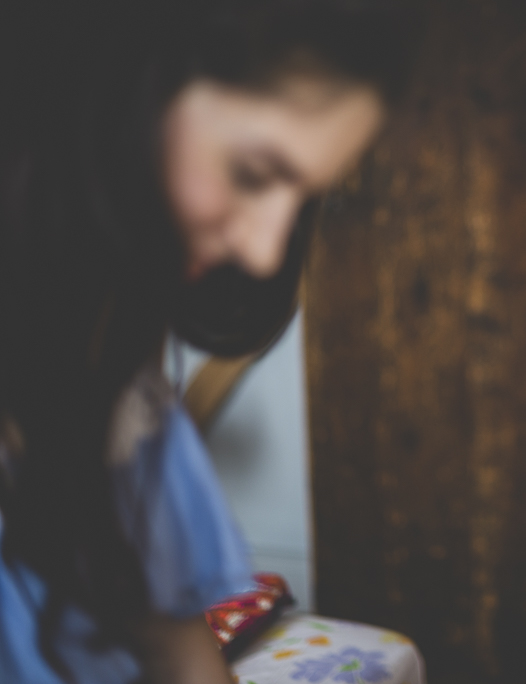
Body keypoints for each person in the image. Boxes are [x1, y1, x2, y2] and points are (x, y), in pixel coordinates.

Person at [0, 1, 413, 682]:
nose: (264, 250)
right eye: (253, 173)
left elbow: (176, 649)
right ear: (125, 88)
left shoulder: (120, 382)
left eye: (306, 198)